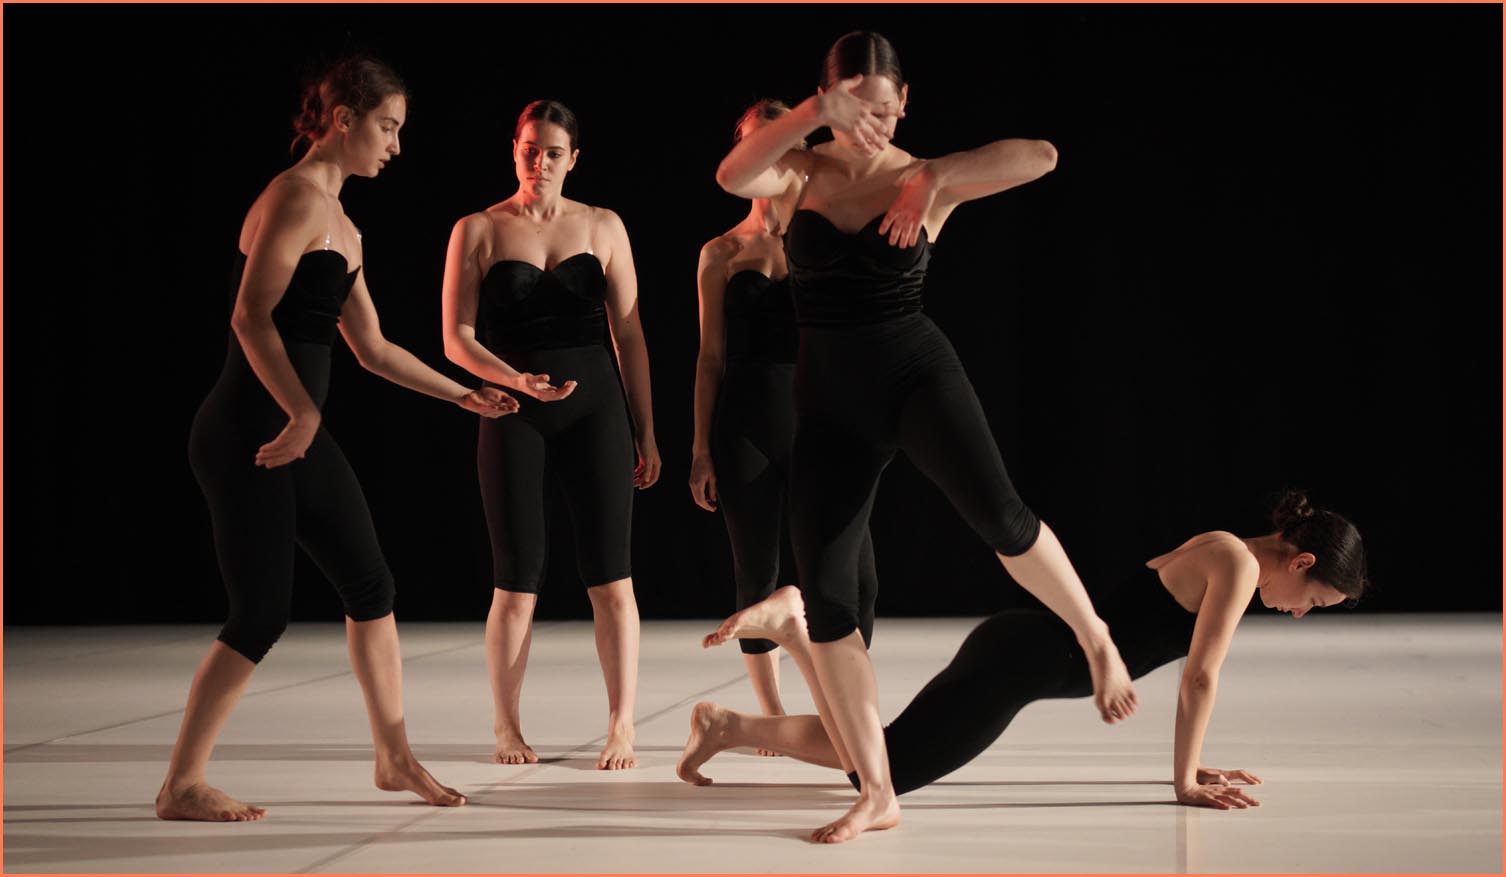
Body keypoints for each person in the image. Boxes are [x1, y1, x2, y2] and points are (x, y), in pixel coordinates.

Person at [714, 31, 1138, 842]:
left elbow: (1043, 156)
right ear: (827, 103)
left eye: (883, 108)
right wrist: (813, 114)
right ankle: (878, 791)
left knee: (1001, 517)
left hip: (915, 376)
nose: (869, 123)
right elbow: (732, 175)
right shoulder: (799, 172)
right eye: (853, 108)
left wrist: (934, 176)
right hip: (826, 404)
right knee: (827, 598)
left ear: (905, 102)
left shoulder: (922, 175)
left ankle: (1095, 636)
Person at [161, 55, 515, 822]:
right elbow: (250, 316)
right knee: (260, 615)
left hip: (294, 429)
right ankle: (181, 783)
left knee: (371, 584)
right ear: (343, 119)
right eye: (387, 127)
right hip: (248, 431)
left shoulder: (346, 226)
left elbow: (374, 348)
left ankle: (394, 756)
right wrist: (303, 412)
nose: (396, 145)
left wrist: (465, 395)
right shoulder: (292, 197)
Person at [679, 490, 1367, 812]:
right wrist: (1184, 782)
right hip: (1017, 666)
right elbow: (1201, 678)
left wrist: (1193, 764)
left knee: (876, 755)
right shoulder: (1238, 567)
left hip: (1019, 648)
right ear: (1302, 561)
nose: (1299, 612)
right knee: (876, 771)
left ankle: (732, 720)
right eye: (1314, 600)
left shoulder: (1222, 546)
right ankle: (790, 642)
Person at [441, 100, 660, 771]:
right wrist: (514, 380)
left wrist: (647, 431)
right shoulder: (478, 228)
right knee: (516, 581)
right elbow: (455, 338)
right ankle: (507, 726)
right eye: (530, 149)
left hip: (596, 411)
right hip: (513, 410)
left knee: (612, 577)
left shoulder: (603, 225)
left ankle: (622, 725)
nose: (540, 162)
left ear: (574, 159)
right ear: (514, 149)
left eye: (553, 152)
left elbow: (629, 336)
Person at [690, 100, 878, 732]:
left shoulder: (824, 242)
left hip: (820, 420)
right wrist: (699, 448)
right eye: (756, 143)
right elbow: (709, 359)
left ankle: (848, 700)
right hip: (745, 424)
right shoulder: (720, 252)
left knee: (857, 574)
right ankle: (770, 713)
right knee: (756, 572)